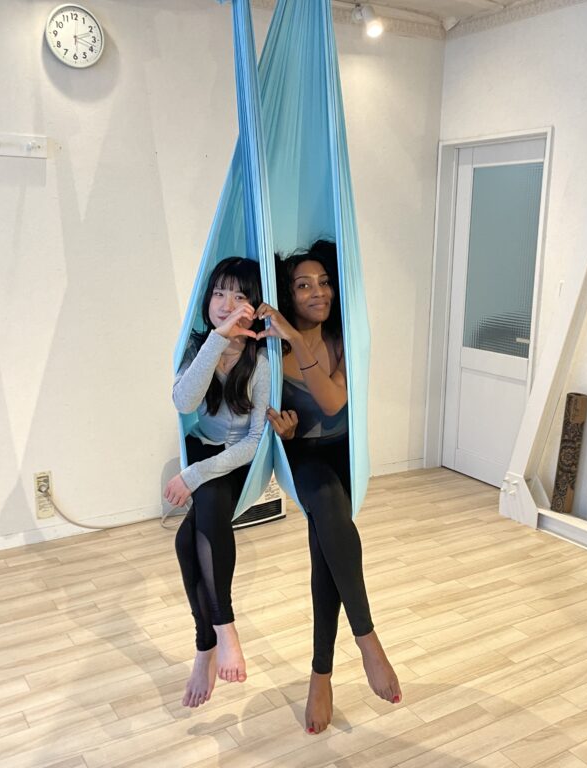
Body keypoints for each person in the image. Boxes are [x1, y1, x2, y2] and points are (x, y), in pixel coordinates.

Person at [257, 240, 401, 734]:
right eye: (303, 285)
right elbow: (289, 413)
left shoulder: (342, 338)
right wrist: (283, 429)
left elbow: (336, 403)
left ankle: (322, 675)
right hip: (306, 458)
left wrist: (298, 339)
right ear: (288, 295)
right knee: (330, 514)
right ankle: (368, 642)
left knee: (327, 547)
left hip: (344, 455)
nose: (318, 292)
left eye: (323, 282)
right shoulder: (272, 351)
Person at [167, 256, 270, 708]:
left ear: (254, 305)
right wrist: (217, 340)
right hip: (204, 452)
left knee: (206, 518)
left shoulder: (262, 359)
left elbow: (252, 442)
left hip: (239, 461)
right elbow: (183, 400)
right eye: (219, 292)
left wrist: (192, 475)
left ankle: (218, 635)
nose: (227, 303)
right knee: (184, 544)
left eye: (240, 295)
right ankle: (208, 644)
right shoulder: (197, 347)